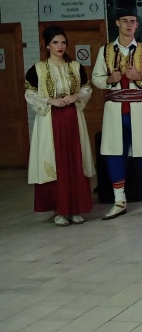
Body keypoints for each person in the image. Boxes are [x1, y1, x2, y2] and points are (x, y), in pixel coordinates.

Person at [92, 7, 142, 220]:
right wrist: (108, 80)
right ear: (117, 23)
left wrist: (140, 76)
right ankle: (119, 202)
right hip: (115, 110)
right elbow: (96, 78)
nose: (128, 25)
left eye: (132, 21)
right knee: (114, 154)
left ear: (137, 24)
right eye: (124, 20)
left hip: (141, 109)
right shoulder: (105, 51)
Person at [25, 25, 95, 226]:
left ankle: (75, 208)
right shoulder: (38, 69)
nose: (60, 46)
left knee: (75, 159)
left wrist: (76, 96)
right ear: (47, 45)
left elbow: (87, 88)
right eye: (55, 42)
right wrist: (50, 100)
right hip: (50, 119)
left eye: (63, 42)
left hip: (73, 118)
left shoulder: (76, 67)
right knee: (57, 162)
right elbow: (29, 93)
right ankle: (60, 210)